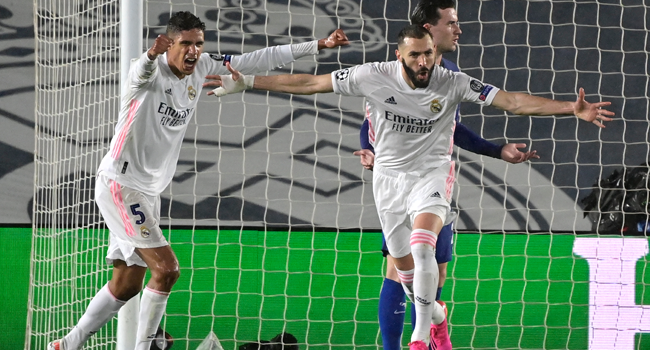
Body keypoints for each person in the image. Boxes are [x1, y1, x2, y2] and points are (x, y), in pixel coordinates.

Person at [204, 23, 613, 350]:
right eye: (415, 54)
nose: (423, 61)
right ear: (399, 54)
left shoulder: (452, 82)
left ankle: (419, 338)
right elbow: (310, 84)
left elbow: (513, 102)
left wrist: (569, 109)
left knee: (423, 246)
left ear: (435, 54)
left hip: (432, 175)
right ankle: (436, 318)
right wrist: (248, 83)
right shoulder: (371, 76)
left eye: (428, 53)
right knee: (403, 271)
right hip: (388, 181)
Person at [47, 11, 349, 350]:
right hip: (121, 183)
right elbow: (140, 70)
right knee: (167, 270)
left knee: (127, 283)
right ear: (169, 44)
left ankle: (66, 345)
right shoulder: (146, 70)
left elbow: (257, 58)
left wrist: (318, 44)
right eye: (185, 44)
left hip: (147, 192)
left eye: (199, 44)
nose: (193, 51)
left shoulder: (203, 66)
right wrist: (149, 55)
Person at [354, 1, 538, 349]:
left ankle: (432, 327)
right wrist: (371, 149)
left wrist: (497, 150)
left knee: (437, 269)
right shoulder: (391, 73)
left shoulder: (449, 73)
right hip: (399, 183)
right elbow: (371, 120)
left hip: (434, 182)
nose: (459, 29)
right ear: (428, 28)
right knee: (399, 266)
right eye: (452, 22)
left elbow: (455, 129)